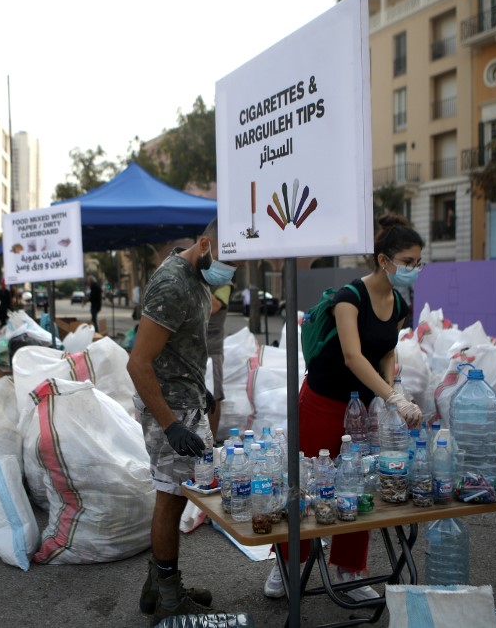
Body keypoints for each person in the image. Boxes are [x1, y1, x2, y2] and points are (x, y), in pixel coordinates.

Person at [264, 213, 424, 600]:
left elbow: (386, 349)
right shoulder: (348, 298)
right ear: (384, 260)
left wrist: (392, 386)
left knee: (359, 484)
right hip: (322, 403)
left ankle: (349, 570)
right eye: (408, 261)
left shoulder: (400, 301)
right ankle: (285, 565)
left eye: (419, 262)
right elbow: (353, 357)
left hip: (363, 411)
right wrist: (393, 398)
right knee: (304, 489)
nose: (414, 269)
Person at [127, 218, 231, 624]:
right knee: (170, 498)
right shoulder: (173, 283)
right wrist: (170, 424)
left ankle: (158, 586)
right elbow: (138, 363)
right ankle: (169, 598)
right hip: (167, 404)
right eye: (225, 257)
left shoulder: (202, 276)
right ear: (204, 243)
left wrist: (199, 385)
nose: (229, 272)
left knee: (175, 494)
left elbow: (183, 343)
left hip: (186, 397)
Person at [206, 283, 231, 438]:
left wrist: (200, 282)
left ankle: (213, 440)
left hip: (212, 350)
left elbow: (214, 307)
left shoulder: (224, 286)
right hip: (192, 348)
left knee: (214, 395)